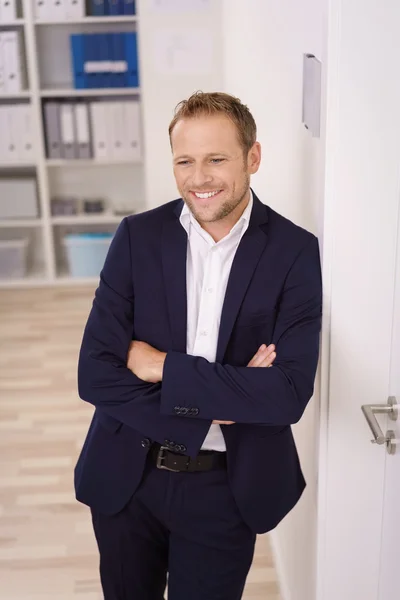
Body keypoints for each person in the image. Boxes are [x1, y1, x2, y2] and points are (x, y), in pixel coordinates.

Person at [75, 91, 322, 600]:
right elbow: (96, 373)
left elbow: (287, 394)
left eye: (216, 159)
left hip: (226, 488)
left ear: (253, 157)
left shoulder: (295, 252)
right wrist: (223, 398)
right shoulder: (137, 237)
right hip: (127, 476)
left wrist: (160, 365)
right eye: (185, 161)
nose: (199, 178)